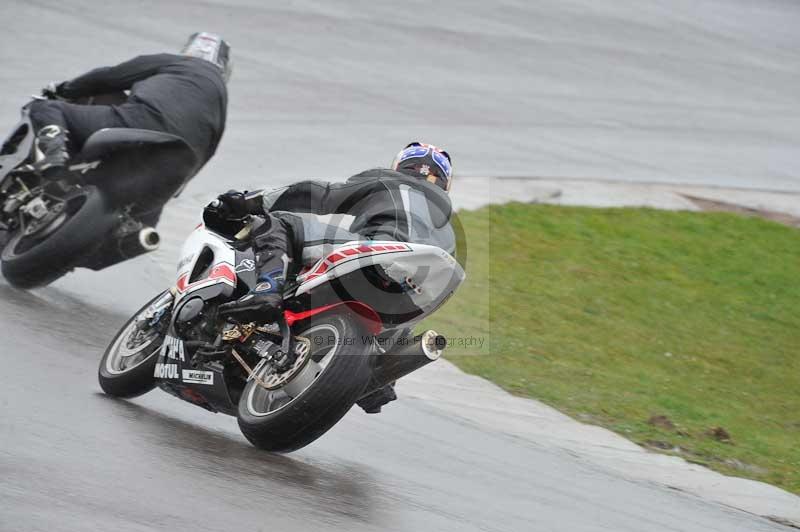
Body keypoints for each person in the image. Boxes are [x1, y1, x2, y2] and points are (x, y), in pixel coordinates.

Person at [203, 142, 456, 413]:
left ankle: (267, 288)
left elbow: (319, 194)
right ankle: (377, 376)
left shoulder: (389, 181)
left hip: (376, 253)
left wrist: (252, 201)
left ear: (400, 166)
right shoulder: (448, 231)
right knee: (402, 310)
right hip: (405, 293)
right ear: (445, 183)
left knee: (283, 222)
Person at [29, 32, 230, 202]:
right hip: (180, 161)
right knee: (140, 217)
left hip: (139, 123)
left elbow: (109, 77)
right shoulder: (221, 97)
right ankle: (135, 231)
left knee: (46, 108)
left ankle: (54, 155)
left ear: (189, 50)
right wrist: (181, 182)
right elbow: (210, 149)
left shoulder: (179, 62)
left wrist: (64, 89)